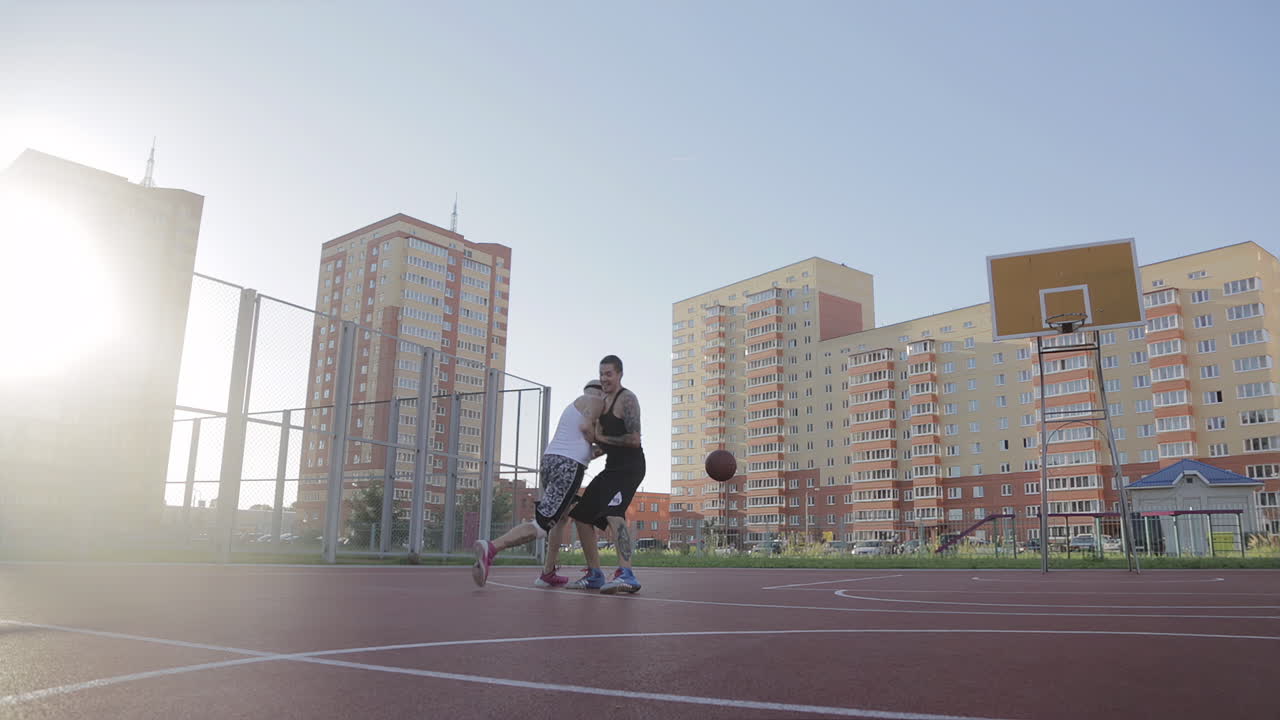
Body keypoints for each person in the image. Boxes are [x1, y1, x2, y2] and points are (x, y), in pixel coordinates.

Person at [471, 380, 605, 587]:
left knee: (559, 519)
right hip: (568, 467)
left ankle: (548, 572)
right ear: (600, 393)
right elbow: (587, 431)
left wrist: (602, 448)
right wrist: (611, 441)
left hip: (550, 461)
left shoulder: (573, 408)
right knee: (542, 525)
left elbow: (588, 448)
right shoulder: (595, 402)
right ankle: (492, 547)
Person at [566, 354, 645, 594]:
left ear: (619, 374)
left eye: (609, 374)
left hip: (630, 468)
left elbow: (633, 439)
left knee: (613, 512)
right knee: (581, 515)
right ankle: (594, 574)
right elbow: (604, 445)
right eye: (601, 374)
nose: (604, 378)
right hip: (611, 468)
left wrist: (598, 439)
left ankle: (627, 574)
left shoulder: (627, 399)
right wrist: (586, 454)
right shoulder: (602, 403)